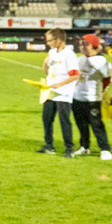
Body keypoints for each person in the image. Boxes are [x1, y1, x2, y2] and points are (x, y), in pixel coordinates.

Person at [37, 28, 79, 157]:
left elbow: (75, 76)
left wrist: (60, 84)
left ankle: (69, 149)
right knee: (47, 119)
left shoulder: (69, 54)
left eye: (50, 40)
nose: (47, 43)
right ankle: (49, 146)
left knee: (64, 121)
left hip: (63, 93)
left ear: (58, 40)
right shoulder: (52, 52)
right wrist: (45, 64)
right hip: (50, 91)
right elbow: (47, 72)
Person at [71, 34, 112, 159]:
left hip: (92, 98)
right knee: (81, 124)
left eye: (83, 44)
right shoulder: (81, 59)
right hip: (78, 96)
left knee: (96, 124)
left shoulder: (101, 60)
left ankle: (105, 149)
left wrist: (100, 92)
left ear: (91, 45)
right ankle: (84, 146)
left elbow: (107, 79)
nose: (80, 46)